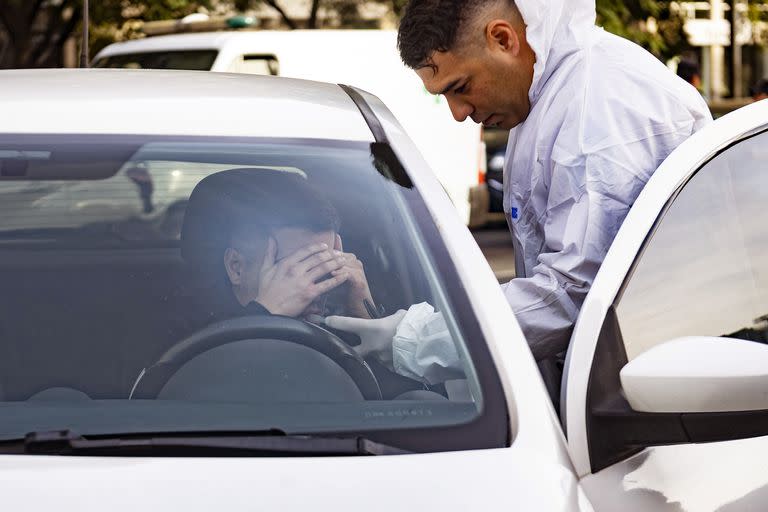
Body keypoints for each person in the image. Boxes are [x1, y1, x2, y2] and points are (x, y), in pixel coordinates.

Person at [326, 0, 712, 389]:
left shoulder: (597, 116)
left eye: (460, 87)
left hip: (656, 399)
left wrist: (417, 340)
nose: (458, 113)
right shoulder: (555, 94)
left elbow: (577, 294)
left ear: (502, 38)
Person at [170, 169, 374, 341]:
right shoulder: (188, 333)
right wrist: (264, 316)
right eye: (295, 270)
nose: (313, 290)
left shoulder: (336, 320)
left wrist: (366, 323)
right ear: (236, 267)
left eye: (324, 268)